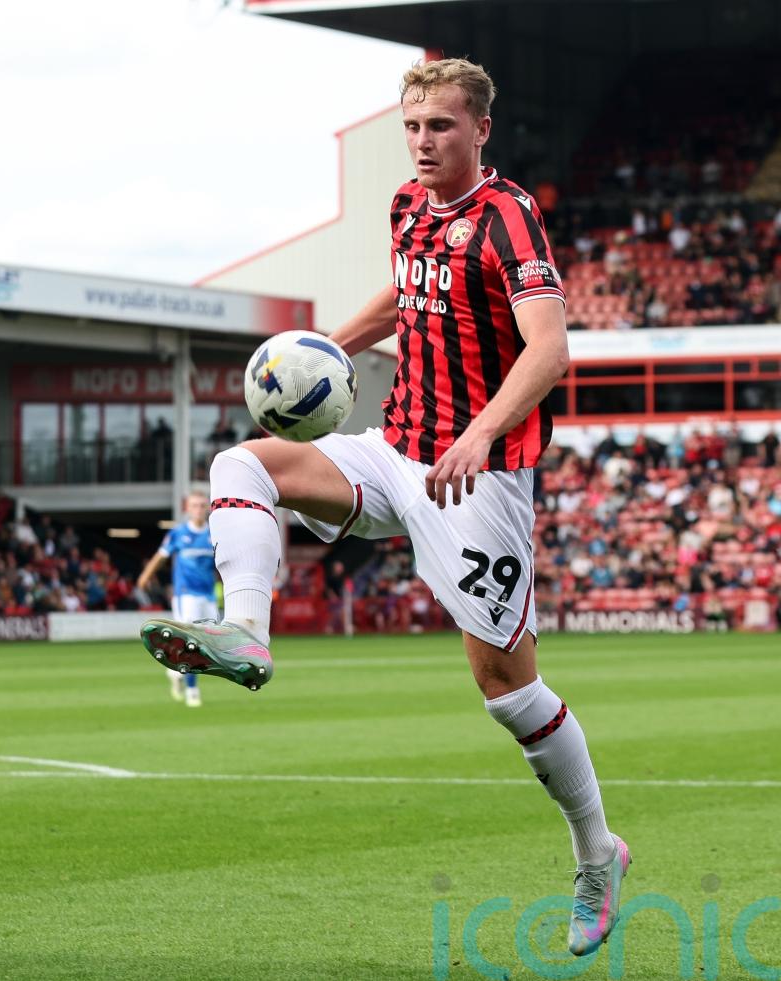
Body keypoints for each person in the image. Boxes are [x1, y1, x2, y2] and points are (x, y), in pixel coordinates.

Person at [140, 58, 629, 953]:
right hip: (395, 449)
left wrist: (479, 432)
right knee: (242, 466)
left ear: (480, 129)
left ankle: (598, 851)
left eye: (441, 126)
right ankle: (245, 630)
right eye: (412, 126)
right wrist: (322, 349)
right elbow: (407, 295)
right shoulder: (406, 205)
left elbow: (550, 348)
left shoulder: (509, 215)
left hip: (476, 475)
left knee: (507, 689)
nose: (423, 142)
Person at [137, 491, 217, 707]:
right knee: (191, 641)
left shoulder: (214, 534)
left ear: (208, 508)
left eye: (202, 505)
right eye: (194, 505)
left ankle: (176, 670)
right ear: (187, 509)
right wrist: (145, 576)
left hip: (208, 595)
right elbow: (160, 556)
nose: (198, 509)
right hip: (186, 595)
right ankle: (192, 690)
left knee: (208, 643)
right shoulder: (178, 534)